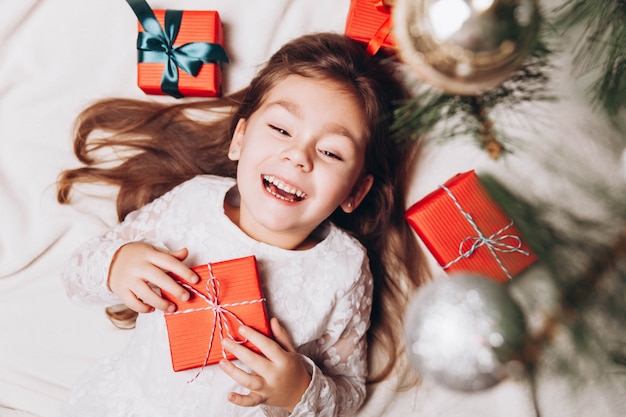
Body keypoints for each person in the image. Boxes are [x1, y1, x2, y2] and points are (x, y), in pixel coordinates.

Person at [56, 32, 430, 417]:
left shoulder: (345, 268)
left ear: (355, 191)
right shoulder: (193, 202)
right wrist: (117, 265)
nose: (298, 157)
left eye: (332, 152)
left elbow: (348, 390)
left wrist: (298, 388)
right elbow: (75, 276)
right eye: (282, 130)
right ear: (239, 139)